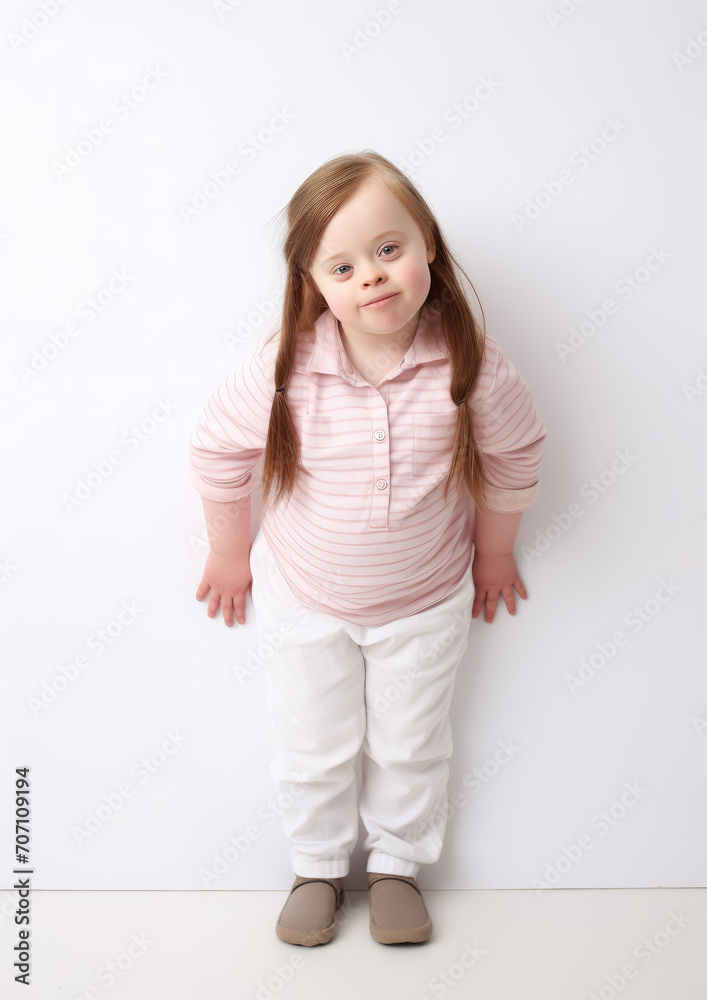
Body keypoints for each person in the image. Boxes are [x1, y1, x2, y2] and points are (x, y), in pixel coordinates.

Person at [188, 150, 548, 946]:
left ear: (427, 245)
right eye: (342, 265)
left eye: (388, 249)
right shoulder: (287, 367)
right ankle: (316, 866)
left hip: (423, 602)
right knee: (311, 744)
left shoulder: (471, 365)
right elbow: (218, 451)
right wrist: (228, 550)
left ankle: (395, 866)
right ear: (312, 284)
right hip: (305, 597)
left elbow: (514, 457)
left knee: (411, 744)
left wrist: (493, 554)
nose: (372, 277)